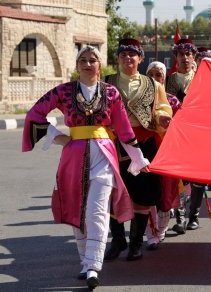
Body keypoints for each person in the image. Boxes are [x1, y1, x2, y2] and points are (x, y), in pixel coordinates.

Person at [22, 46, 149, 289]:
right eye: (83, 60)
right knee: (77, 212)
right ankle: (84, 261)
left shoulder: (111, 93)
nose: (88, 64)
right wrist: (57, 136)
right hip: (72, 158)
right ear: (77, 65)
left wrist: (138, 158)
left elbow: (124, 130)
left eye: (93, 60)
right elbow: (34, 114)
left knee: (97, 212)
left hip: (103, 156)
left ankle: (93, 266)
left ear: (100, 66)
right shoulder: (63, 91)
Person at [103, 38, 173, 262]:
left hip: (144, 144)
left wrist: (163, 118)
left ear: (140, 58)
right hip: (114, 144)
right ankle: (117, 240)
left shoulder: (153, 85)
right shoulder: (106, 83)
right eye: (123, 54)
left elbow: (164, 108)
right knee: (111, 191)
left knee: (143, 194)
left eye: (132, 54)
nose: (127, 58)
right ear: (118, 58)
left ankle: (135, 244)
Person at [166, 39, 211, 231]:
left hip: (198, 134)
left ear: (194, 57)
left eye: (188, 54)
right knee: (178, 177)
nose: (185, 58)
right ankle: (180, 217)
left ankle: (194, 216)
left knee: (198, 178)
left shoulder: (204, 79)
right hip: (175, 134)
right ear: (175, 57)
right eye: (181, 54)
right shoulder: (169, 81)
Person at [144, 61, 182, 248]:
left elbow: (183, 127)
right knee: (147, 193)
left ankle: (162, 228)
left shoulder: (173, 101)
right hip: (145, 151)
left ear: (164, 78)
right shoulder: (138, 101)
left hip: (167, 153)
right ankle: (151, 234)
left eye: (159, 75)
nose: (155, 78)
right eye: (151, 74)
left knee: (166, 194)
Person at [195, 47, 211, 192]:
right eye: (200, 60)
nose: (203, 62)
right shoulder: (192, 76)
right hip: (196, 121)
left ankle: (209, 179)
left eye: (206, 60)